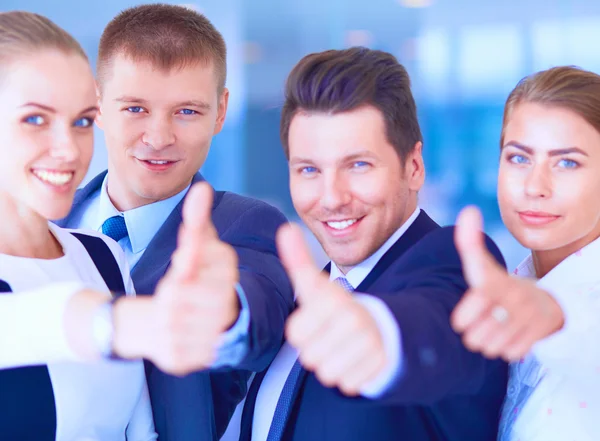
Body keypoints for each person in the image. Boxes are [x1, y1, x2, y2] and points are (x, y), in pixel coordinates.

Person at [238, 47, 509, 441]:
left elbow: (437, 323)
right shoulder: (307, 300)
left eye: (358, 165)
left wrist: (383, 336)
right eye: (309, 170)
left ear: (413, 167)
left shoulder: (456, 262)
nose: (331, 197)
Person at [56, 4, 294, 441]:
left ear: (221, 111)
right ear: (98, 105)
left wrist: (224, 310)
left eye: (187, 111)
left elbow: (256, 308)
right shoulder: (43, 223)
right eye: (135, 109)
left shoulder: (246, 226)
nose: (159, 137)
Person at [0, 10, 156, 440]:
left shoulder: (102, 255)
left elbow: (141, 432)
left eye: (83, 121)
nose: (69, 149)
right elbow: (31, 322)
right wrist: (128, 323)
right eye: (35, 119)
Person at [450, 66, 600, 441]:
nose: (535, 186)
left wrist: (556, 317)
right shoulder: (507, 289)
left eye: (567, 162)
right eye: (519, 158)